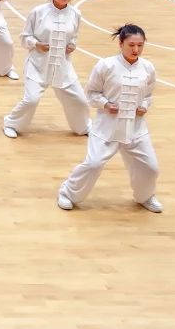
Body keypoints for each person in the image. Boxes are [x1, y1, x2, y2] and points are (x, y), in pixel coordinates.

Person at [57, 24, 162, 213]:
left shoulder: (148, 68)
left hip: (136, 129)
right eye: (131, 45)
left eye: (140, 45)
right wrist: (105, 104)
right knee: (94, 164)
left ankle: (145, 196)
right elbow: (91, 93)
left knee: (151, 167)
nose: (136, 50)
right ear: (121, 44)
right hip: (107, 128)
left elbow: (148, 94)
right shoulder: (105, 65)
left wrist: (144, 106)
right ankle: (68, 193)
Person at [3, 0, 90, 139]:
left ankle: (83, 127)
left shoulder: (76, 14)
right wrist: (36, 44)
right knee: (31, 100)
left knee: (80, 100)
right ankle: (10, 124)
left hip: (62, 66)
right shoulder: (38, 12)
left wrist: (72, 46)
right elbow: (24, 37)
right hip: (38, 66)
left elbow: (73, 37)